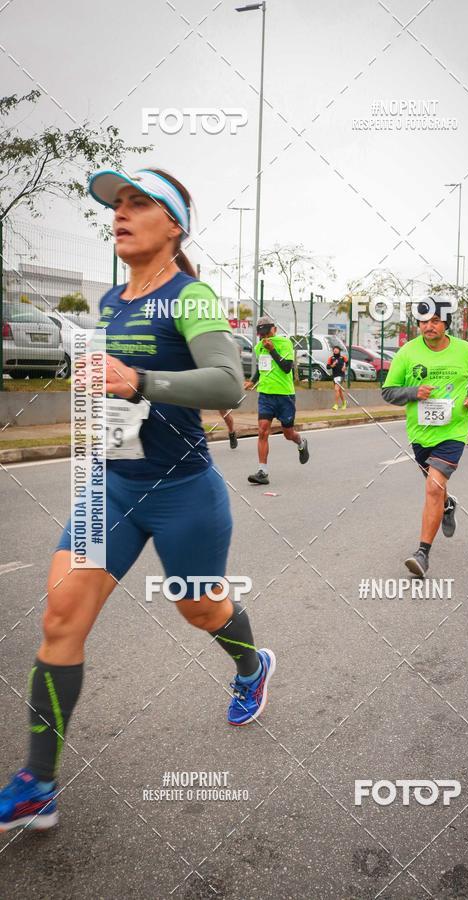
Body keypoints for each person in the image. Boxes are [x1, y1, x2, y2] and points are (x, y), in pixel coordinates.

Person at [0, 168, 276, 833]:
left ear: (174, 223)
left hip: (184, 493)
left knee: (200, 609)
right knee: (61, 614)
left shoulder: (193, 296)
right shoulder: (113, 304)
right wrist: (103, 404)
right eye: (116, 204)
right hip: (114, 483)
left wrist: (138, 379)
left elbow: (227, 383)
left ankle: (251, 663)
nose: (121, 213)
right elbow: (117, 398)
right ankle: (38, 782)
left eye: (139, 203)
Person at [382, 300, 468, 576]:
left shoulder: (465, 351)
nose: (429, 326)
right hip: (420, 433)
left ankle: (422, 554)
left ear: (446, 324)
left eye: (435, 321)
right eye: (424, 321)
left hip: (453, 432)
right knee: (436, 489)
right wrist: (413, 392)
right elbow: (388, 391)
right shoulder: (407, 352)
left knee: (432, 487)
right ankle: (448, 504)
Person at [245, 315, 309, 485]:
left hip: (285, 396)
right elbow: (261, 367)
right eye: (262, 336)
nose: (265, 338)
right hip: (265, 395)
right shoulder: (259, 347)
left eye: (267, 334)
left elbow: (287, 368)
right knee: (262, 431)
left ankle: (301, 442)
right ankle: (262, 471)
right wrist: (252, 380)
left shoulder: (285, 343)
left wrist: (273, 349)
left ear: (274, 329)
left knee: (288, 433)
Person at [327, 345, 348, 410]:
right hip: (335, 376)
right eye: (334, 349)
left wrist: (345, 367)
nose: (335, 350)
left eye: (336, 349)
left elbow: (347, 363)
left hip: (341, 375)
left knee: (336, 389)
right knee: (339, 391)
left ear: (339, 350)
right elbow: (328, 367)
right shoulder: (331, 358)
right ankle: (344, 402)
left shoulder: (343, 357)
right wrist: (332, 365)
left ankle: (336, 405)